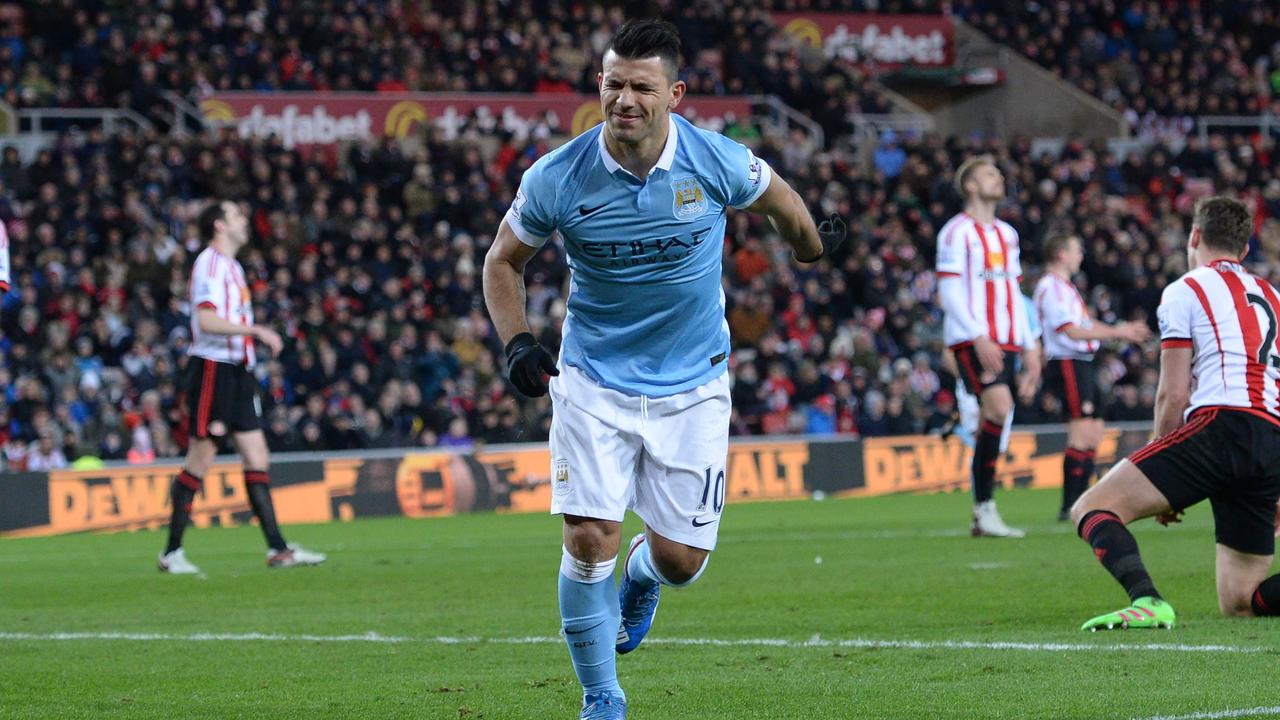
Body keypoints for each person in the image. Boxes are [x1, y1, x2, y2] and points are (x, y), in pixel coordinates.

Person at [482, 20, 844, 720]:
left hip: (695, 385)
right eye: (613, 83)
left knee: (682, 561)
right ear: (600, 86)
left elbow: (783, 203)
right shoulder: (558, 176)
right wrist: (518, 342)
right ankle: (601, 696)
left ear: (673, 94)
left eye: (641, 86)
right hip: (592, 380)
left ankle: (645, 573)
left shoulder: (715, 160)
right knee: (588, 539)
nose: (624, 99)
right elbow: (503, 260)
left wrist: (810, 249)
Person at [1070, 197, 1280, 630]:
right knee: (1242, 601)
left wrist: (1159, 459)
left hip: (1221, 424)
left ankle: (1146, 601)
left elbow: (1173, 392)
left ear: (1195, 236)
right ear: (1244, 251)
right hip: (1271, 436)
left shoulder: (1186, 288)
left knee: (1093, 507)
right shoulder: (1273, 296)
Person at [158, 200, 326, 574]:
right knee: (200, 459)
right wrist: (255, 330)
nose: (245, 219)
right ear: (219, 224)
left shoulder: (232, 267)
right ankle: (171, 553)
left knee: (257, 455)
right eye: (236, 215)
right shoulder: (209, 264)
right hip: (214, 370)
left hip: (238, 372)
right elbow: (205, 319)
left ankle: (278, 549)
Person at [935, 155, 1040, 538]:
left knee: (993, 420)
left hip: (1009, 338)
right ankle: (985, 508)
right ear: (971, 186)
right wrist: (978, 336)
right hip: (973, 339)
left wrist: (1029, 343)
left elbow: (1013, 290)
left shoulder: (1007, 235)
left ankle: (982, 512)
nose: (999, 178)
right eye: (990, 174)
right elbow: (948, 291)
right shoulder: (955, 232)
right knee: (999, 408)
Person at [1033, 235, 1151, 521]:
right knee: (1081, 432)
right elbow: (1071, 331)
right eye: (1076, 249)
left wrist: (1118, 328)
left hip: (1084, 363)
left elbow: (1085, 324)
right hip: (1068, 363)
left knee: (1094, 433)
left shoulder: (1066, 288)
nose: (1081, 254)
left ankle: (1081, 501)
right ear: (1061, 254)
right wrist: (1117, 333)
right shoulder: (1050, 287)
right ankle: (1070, 505)